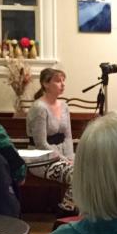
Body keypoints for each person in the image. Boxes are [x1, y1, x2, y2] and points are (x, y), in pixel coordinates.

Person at [26, 68, 75, 212]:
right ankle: (66, 211)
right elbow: (41, 144)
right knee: (77, 175)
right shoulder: (39, 108)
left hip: (62, 156)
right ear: (45, 84)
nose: (63, 84)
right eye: (58, 81)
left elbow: (68, 136)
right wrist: (64, 160)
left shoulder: (64, 106)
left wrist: (70, 157)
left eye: (63, 80)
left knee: (91, 168)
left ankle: (82, 211)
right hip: (41, 159)